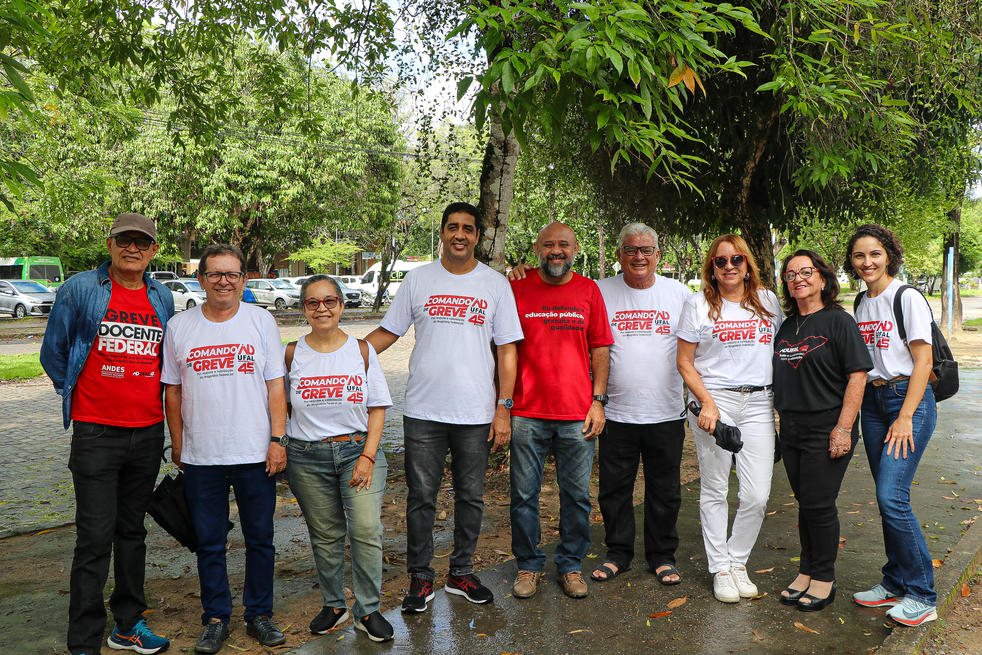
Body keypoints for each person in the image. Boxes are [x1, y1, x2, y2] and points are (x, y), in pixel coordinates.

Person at [365, 202, 523, 614]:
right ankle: (421, 578)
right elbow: (387, 332)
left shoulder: (494, 284)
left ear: (477, 236)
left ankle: (461, 573)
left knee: (471, 497)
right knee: (421, 498)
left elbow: (508, 350)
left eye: (468, 229)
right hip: (423, 410)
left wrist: (503, 406)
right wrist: (338, 354)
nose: (460, 235)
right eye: (452, 227)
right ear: (442, 231)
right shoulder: (418, 280)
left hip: (475, 413)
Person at [41, 213, 174, 655]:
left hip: (148, 432)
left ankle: (129, 624)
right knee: (94, 537)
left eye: (142, 242)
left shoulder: (163, 296)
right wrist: (83, 399)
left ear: (154, 250)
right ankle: (83, 641)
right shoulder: (80, 289)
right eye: (124, 240)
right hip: (97, 433)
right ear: (110, 244)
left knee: (132, 532)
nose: (132, 248)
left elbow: (165, 363)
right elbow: (53, 353)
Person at [162, 244, 288, 653]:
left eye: (232, 274)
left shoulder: (261, 321)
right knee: (209, 542)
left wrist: (277, 440)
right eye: (215, 274)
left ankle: (260, 615)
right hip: (203, 457)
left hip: (255, 452)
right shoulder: (180, 327)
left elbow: (275, 385)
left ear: (244, 280)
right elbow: (173, 391)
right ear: (200, 279)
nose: (223, 281)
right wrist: (179, 442)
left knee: (261, 539)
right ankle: (216, 617)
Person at [283, 275, 394, 642]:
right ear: (304, 309)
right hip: (306, 456)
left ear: (342, 305)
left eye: (330, 301)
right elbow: (279, 406)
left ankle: (367, 609)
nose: (322, 308)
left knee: (365, 529)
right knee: (326, 534)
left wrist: (367, 456)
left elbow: (377, 408)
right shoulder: (291, 353)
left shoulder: (361, 351)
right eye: (313, 302)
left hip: (356, 451)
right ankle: (334, 604)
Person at [508, 221, 613, 600]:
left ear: (576, 248)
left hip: (577, 414)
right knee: (523, 494)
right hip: (526, 412)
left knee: (577, 496)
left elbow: (600, 347)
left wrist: (598, 401)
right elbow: (502, 349)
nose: (557, 251)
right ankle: (528, 565)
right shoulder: (515, 288)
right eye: (549, 244)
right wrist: (503, 407)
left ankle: (570, 566)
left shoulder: (589, 290)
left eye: (564, 245)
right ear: (537, 248)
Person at [675, 234, 781, 604]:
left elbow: (778, 353)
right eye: (721, 261)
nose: (730, 266)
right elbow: (685, 362)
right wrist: (705, 402)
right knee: (716, 487)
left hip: (759, 402)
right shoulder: (698, 304)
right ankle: (720, 567)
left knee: (756, 494)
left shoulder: (767, 301)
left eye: (737, 259)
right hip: (715, 400)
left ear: (747, 263)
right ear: (712, 268)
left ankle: (738, 561)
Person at [845, 224, 939, 626]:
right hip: (873, 402)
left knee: (892, 496)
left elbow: (924, 361)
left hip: (907, 402)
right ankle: (895, 581)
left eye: (875, 254)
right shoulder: (861, 303)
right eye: (859, 256)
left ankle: (922, 595)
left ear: (889, 256)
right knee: (887, 501)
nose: (867, 262)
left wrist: (905, 417)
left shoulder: (907, 296)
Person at [590, 223, 692, 585]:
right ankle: (618, 553)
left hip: (665, 412)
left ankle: (662, 555)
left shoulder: (680, 294)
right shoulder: (599, 291)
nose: (639, 256)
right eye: (631, 249)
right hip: (615, 411)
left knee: (665, 490)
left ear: (658, 255)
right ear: (619, 254)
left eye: (646, 250)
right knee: (615, 488)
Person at [772, 250, 871, 612]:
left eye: (806, 271)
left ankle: (824, 578)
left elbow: (857, 376)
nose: (798, 278)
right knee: (806, 504)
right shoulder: (786, 326)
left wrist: (843, 428)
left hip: (828, 426)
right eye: (790, 273)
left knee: (819, 503)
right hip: (793, 428)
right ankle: (806, 571)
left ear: (823, 279)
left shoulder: (838, 322)